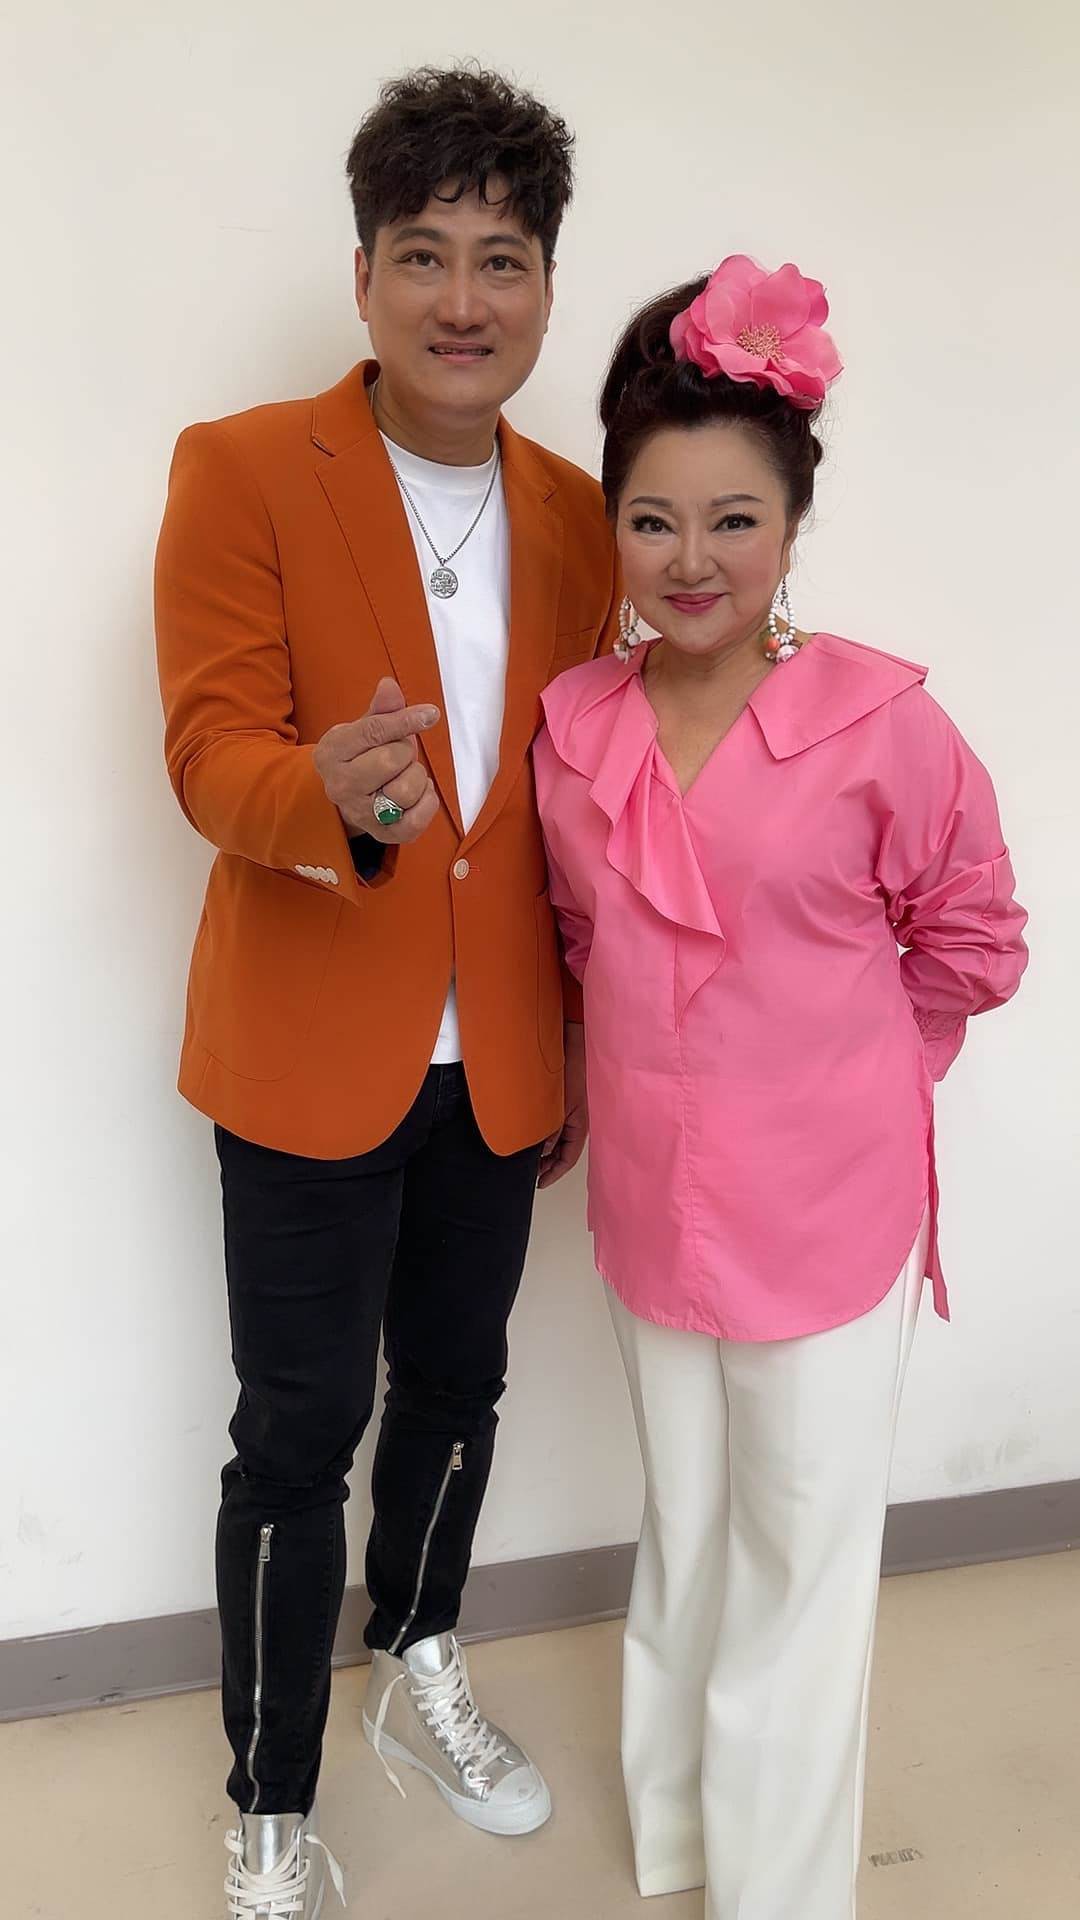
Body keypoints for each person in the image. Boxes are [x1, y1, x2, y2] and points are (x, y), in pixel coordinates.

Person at [155, 65, 619, 1918]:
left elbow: (575, 805)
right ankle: (271, 1798)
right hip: (307, 1049)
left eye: (501, 260)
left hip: (492, 1061)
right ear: (363, 276)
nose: (461, 299)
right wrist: (322, 798)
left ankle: (418, 1654)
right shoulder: (245, 467)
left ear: (546, 285)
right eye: (423, 254)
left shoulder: (580, 513)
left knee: (459, 1384)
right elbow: (207, 750)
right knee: (292, 1436)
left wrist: (570, 1035)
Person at [533, 254, 1028, 1918]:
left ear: (794, 524)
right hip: (652, 1206)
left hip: (830, 1210)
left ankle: (778, 1893)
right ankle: (677, 1840)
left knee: (803, 1563)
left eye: (734, 520)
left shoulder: (883, 724)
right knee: (688, 1532)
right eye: (655, 520)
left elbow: (973, 942)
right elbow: (578, 944)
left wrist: (850, 1073)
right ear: (614, 525)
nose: (693, 560)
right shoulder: (574, 727)